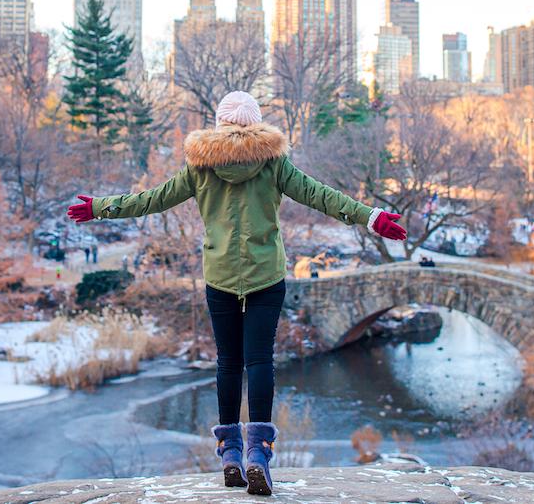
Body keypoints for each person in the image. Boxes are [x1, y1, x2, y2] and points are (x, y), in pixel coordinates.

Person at [67, 91, 406, 496]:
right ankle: (258, 452)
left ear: (220, 124)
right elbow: (321, 196)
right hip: (265, 275)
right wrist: (370, 216)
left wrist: (102, 207)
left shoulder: (200, 166)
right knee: (260, 359)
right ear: (257, 123)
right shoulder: (273, 162)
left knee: (228, 361)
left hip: (220, 275)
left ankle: (229, 450)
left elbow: (151, 201)